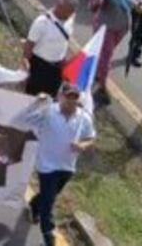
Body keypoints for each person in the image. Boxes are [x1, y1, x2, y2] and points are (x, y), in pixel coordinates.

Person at [29, 84, 96, 246]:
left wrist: (82, 146)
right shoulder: (48, 111)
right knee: (49, 201)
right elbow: (28, 117)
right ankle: (48, 234)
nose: (71, 100)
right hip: (46, 165)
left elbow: (91, 138)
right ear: (60, 96)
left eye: (74, 97)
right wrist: (38, 102)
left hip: (67, 167)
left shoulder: (83, 118)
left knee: (50, 195)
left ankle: (34, 204)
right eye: (68, 96)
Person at [88, 0, 135, 105]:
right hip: (105, 28)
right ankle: (103, 87)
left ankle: (96, 73)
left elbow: (131, 2)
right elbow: (93, 5)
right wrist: (99, 2)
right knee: (107, 58)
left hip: (121, 28)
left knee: (104, 55)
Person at [24, 0, 78, 96]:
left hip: (57, 67)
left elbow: (64, 41)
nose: (69, 16)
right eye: (67, 12)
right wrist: (25, 67)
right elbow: (29, 45)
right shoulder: (42, 22)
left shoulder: (70, 19)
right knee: (32, 95)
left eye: (71, 13)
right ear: (59, 6)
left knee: (50, 96)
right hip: (39, 65)